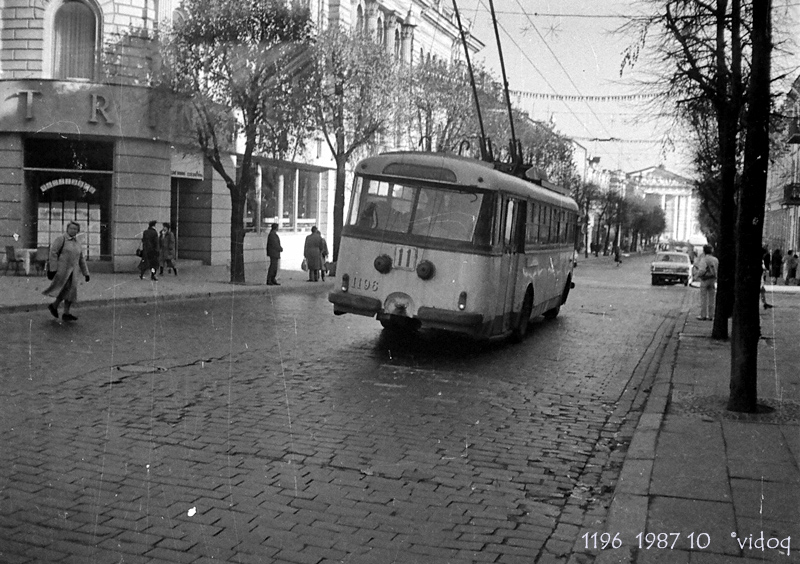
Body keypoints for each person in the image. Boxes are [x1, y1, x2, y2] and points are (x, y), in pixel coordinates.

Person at [43, 221, 90, 322]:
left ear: (78, 231)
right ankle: (57, 308)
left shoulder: (78, 242)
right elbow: (53, 253)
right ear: (67, 229)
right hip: (62, 271)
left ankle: (63, 311)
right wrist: (53, 269)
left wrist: (86, 273)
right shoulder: (61, 239)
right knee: (63, 290)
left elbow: (81, 258)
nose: (73, 230)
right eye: (71, 228)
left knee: (71, 291)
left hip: (73, 273)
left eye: (75, 229)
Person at [694, 244, 719, 321]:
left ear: (704, 251)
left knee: (703, 298)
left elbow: (702, 270)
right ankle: (711, 315)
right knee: (712, 298)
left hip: (705, 280)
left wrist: (697, 276)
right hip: (713, 280)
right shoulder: (715, 260)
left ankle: (703, 315)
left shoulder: (704, 259)